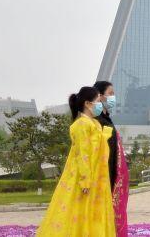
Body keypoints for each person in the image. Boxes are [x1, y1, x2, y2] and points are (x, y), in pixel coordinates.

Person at [36, 86, 114, 236]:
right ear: (87, 104)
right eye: (98, 101)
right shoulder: (80, 125)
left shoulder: (95, 124)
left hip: (97, 177)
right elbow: (82, 154)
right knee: (79, 210)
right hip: (84, 178)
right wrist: (85, 180)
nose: (100, 104)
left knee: (91, 211)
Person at [94, 80, 129, 236]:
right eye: (111, 94)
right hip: (106, 180)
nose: (114, 97)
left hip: (113, 179)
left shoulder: (107, 120)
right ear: (100, 97)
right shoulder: (98, 123)